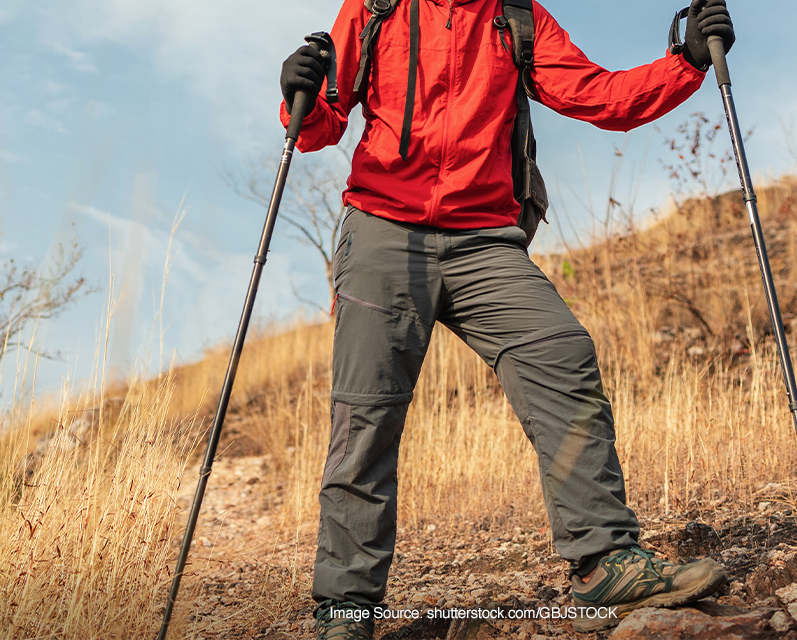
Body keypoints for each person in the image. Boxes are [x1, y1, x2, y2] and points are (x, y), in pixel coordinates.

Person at [278, 0, 735, 637]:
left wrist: (684, 62)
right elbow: (316, 127)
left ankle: (604, 562)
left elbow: (598, 96)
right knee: (366, 416)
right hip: (384, 231)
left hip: (484, 241)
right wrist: (300, 89)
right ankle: (346, 608)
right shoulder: (375, 9)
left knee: (561, 352)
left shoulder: (516, 16)